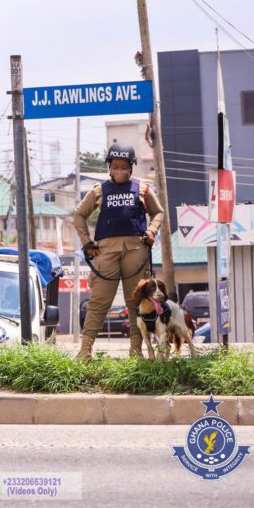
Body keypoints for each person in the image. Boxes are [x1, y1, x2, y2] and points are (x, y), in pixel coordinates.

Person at [73, 143, 165, 361]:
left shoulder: (142, 188)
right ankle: (85, 351)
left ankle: (136, 351)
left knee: (136, 301)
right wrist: (87, 243)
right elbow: (79, 215)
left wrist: (152, 231)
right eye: (115, 166)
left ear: (131, 167)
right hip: (106, 252)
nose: (120, 170)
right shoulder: (99, 190)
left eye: (124, 166)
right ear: (109, 166)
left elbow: (158, 212)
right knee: (98, 301)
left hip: (136, 250)